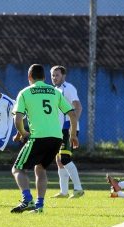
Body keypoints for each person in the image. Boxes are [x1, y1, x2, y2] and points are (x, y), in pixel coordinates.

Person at [10, 64, 78, 214]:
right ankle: (39, 206)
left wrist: (22, 132)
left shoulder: (25, 92)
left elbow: (18, 119)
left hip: (38, 137)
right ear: (45, 77)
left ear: (29, 77)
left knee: (17, 169)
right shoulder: (54, 91)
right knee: (40, 168)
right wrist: (73, 136)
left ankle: (27, 199)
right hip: (56, 138)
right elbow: (72, 114)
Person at [50, 65, 84, 199]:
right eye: (52, 75)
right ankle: (64, 192)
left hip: (67, 129)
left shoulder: (68, 88)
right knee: (59, 160)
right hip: (58, 130)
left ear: (64, 76)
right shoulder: (54, 90)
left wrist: (72, 128)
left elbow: (78, 107)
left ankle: (78, 189)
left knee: (65, 158)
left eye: (57, 75)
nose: (54, 77)